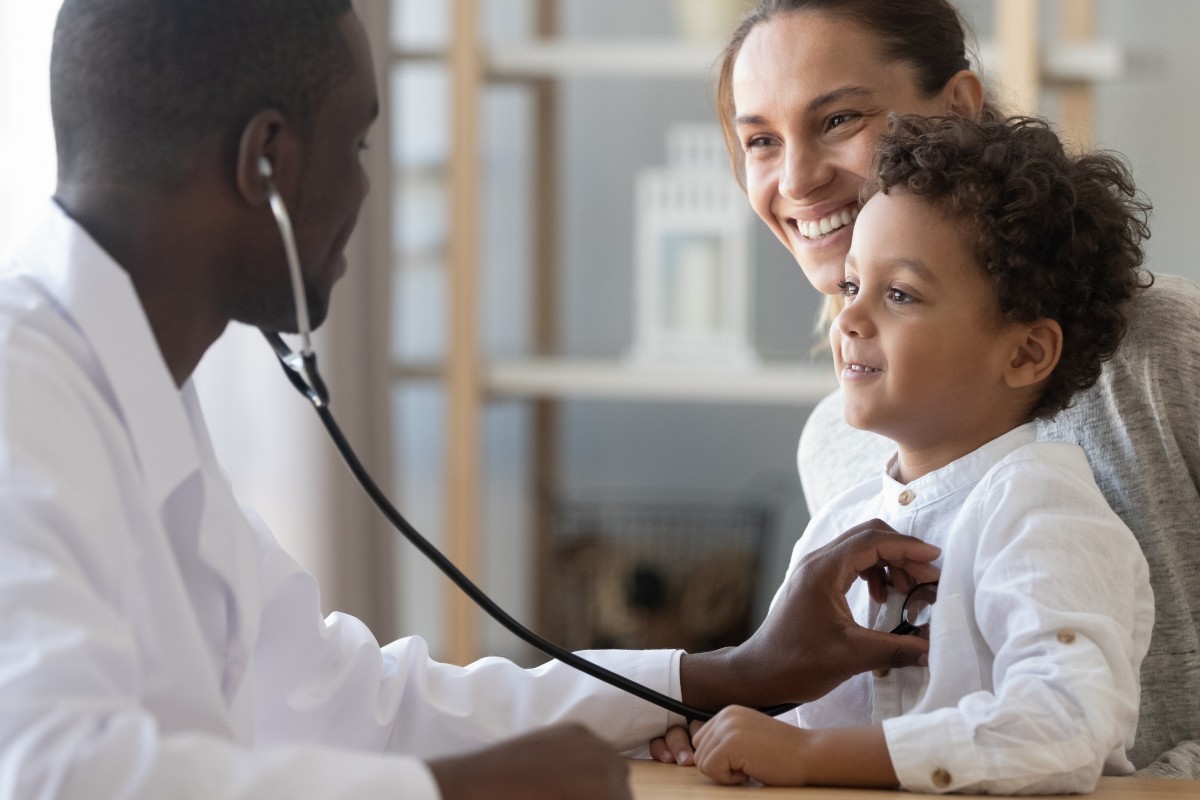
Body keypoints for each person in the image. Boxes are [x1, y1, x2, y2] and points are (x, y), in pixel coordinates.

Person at [0, 1, 945, 798]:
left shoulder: (132, 398)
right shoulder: (20, 391)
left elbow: (355, 699)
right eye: (359, 142)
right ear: (267, 167)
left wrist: (734, 673)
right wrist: (459, 791)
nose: (367, 187)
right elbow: (53, 773)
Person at [653, 0, 1200, 777]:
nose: (799, 178)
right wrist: (725, 724)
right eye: (761, 141)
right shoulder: (843, 444)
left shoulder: (1163, 347)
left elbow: (1058, 720)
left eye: (839, 119)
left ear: (956, 111)